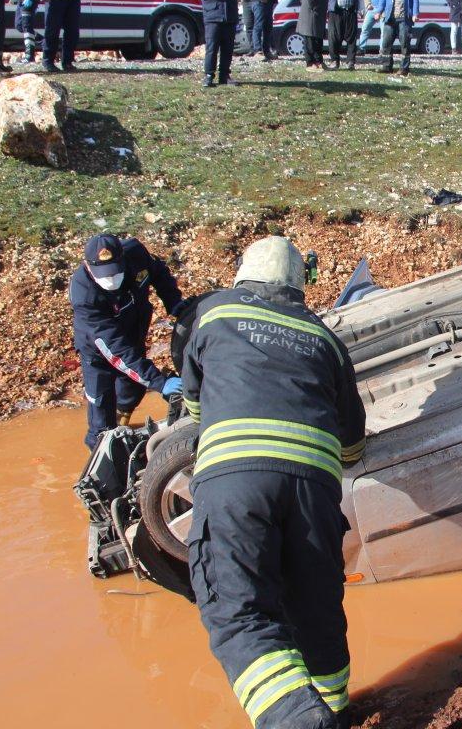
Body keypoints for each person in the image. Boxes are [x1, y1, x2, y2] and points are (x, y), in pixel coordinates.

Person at [181, 236, 366, 729]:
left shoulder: (214, 314)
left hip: (237, 481)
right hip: (315, 489)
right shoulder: (324, 337)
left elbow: (194, 408)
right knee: (317, 610)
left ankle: (296, 720)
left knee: (237, 611)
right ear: (299, 286)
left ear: (243, 276)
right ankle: (336, 712)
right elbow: (352, 442)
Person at [70, 233, 184, 450]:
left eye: (115, 272)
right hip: (98, 351)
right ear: (88, 265)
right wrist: (158, 382)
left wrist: (174, 302)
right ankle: (102, 463)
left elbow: (159, 273)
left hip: (133, 332)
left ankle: (123, 419)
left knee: (133, 390)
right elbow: (115, 350)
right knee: (101, 416)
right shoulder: (84, 295)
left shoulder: (136, 254)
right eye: (103, 274)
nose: (110, 279)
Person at [194, 0, 244, 88]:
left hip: (229, 15)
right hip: (212, 16)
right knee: (212, 47)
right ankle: (209, 75)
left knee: (228, 48)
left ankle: (224, 76)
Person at [374, 0, 419, 75]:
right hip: (390, 18)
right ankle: (386, 66)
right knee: (386, 43)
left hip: (404, 19)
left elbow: (415, 0)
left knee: (405, 43)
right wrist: (378, 12)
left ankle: (404, 68)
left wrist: (414, 14)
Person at [299, 0, 332, 71]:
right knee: (310, 41)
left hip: (317, 15)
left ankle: (319, 62)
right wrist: (315, 9)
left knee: (317, 40)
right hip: (311, 15)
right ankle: (310, 63)